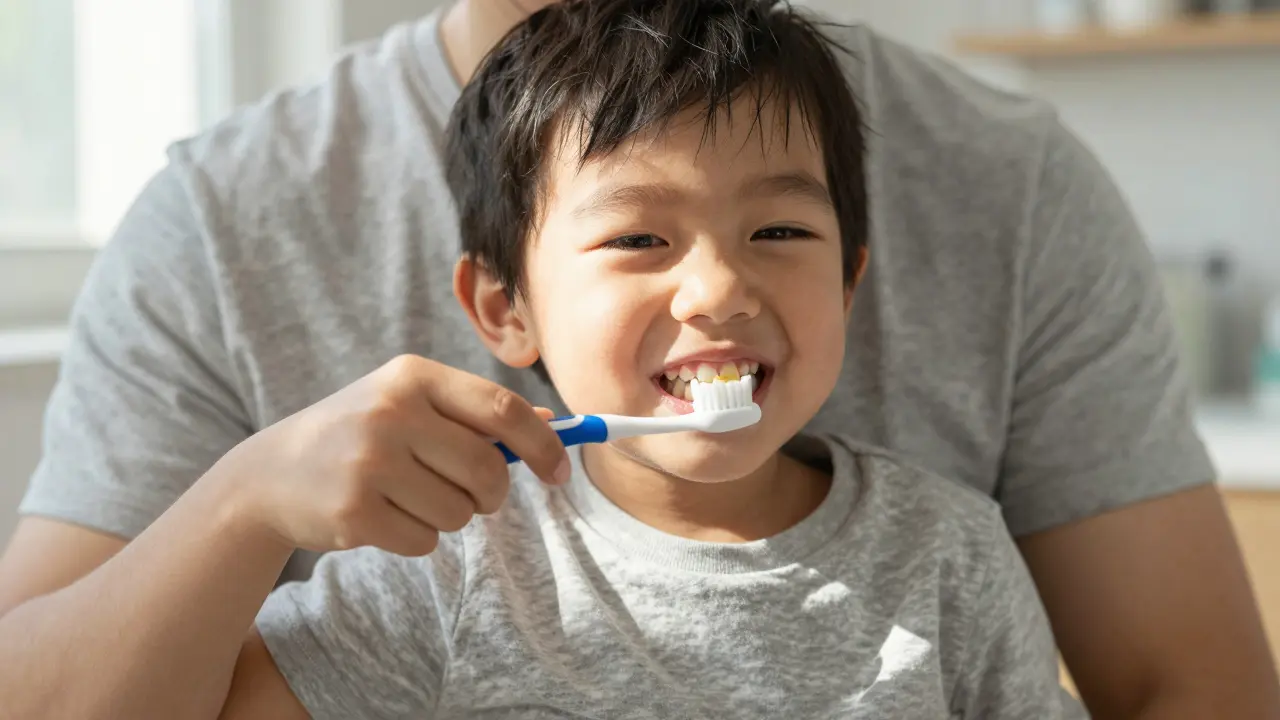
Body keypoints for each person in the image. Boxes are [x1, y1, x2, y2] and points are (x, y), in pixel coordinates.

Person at [0, 0, 1274, 717]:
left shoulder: (946, 555)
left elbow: (1194, 681)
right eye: (638, 238)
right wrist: (241, 503)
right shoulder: (440, 575)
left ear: (852, 274)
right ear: (499, 311)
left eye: (777, 229)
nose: (717, 286)